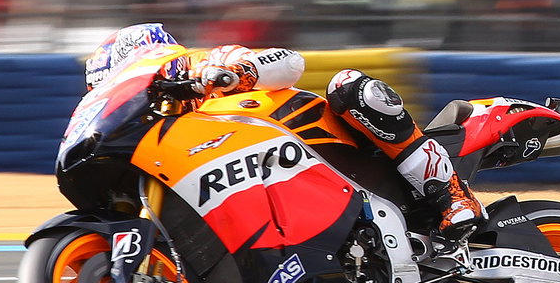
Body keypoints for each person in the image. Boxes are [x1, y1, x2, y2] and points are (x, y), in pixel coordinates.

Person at [84, 23, 484, 239]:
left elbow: (290, 62)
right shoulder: (164, 134)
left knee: (348, 86)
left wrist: (238, 72)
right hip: (274, 193)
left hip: (328, 142)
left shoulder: (201, 63)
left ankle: (450, 194)